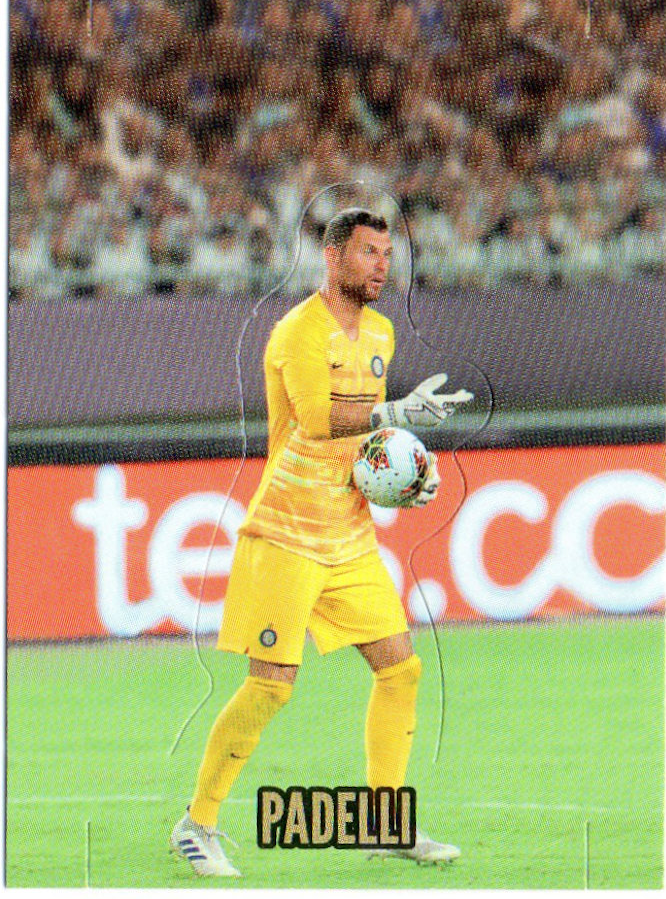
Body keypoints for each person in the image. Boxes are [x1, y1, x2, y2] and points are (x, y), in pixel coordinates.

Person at [170, 208, 473, 877]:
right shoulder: (298, 330)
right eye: (368, 253)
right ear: (333, 258)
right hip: (285, 533)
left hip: (348, 535)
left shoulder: (382, 333)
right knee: (271, 686)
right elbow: (314, 420)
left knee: (401, 669)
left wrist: (404, 476)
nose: (382, 266)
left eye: (387, 254)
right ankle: (197, 823)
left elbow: (362, 444)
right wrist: (395, 412)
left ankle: (386, 825)